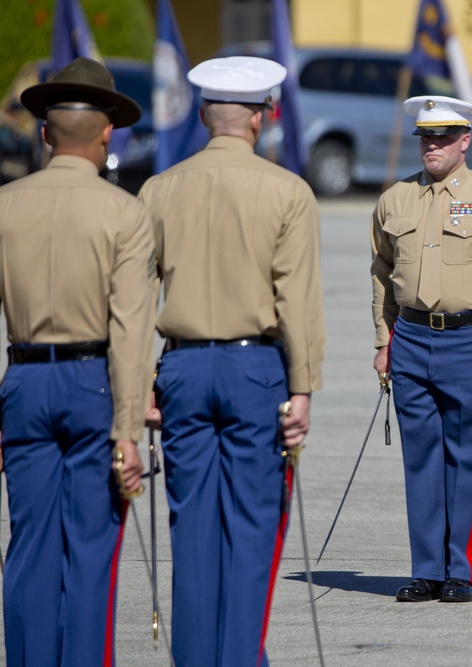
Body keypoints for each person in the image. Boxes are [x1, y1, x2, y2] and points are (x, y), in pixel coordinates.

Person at [138, 56, 325, 666]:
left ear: (201, 115)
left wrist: (141, 385)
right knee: (250, 531)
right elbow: (296, 299)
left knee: (191, 531)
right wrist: (303, 389)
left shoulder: (158, 189)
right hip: (255, 370)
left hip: (183, 369)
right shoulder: (287, 190)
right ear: (263, 116)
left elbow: (137, 300)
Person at [0, 57, 157, 665]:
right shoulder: (124, 212)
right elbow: (131, 327)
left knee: (30, 544)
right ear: (107, 134)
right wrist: (128, 432)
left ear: (44, 134)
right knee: (90, 551)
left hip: (24, 381)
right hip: (93, 382)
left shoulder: (6, 204)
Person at [371, 95, 472, 604]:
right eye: (426, 136)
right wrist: (384, 341)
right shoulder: (394, 199)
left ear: (466, 140)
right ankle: (426, 568)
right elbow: (381, 274)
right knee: (420, 457)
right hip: (412, 338)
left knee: (466, 457)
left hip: (469, 340)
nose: (433, 145)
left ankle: (460, 570)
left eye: (444, 136)